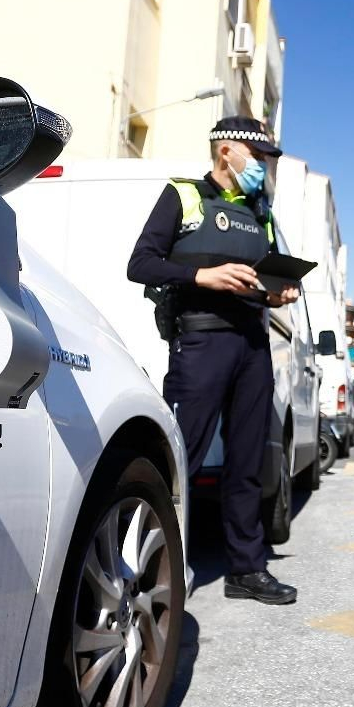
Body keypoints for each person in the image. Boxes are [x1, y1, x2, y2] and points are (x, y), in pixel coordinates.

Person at [126, 116, 299, 605]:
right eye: (258, 156)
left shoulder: (260, 213)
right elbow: (140, 264)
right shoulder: (183, 196)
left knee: (247, 463)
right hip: (202, 341)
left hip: (252, 345)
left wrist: (277, 294)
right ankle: (149, 565)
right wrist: (203, 276)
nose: (263, 167)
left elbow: (262, 279)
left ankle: (247, 569)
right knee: (182, 456)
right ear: (227, 151)